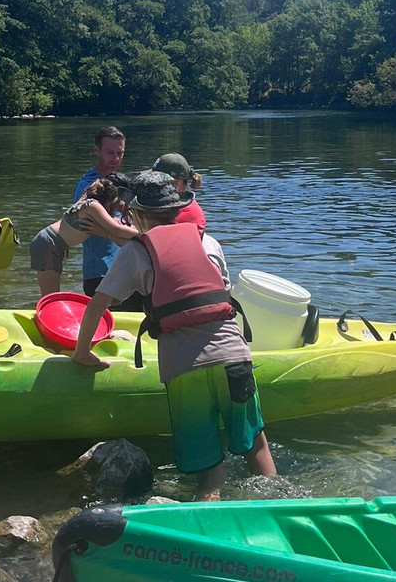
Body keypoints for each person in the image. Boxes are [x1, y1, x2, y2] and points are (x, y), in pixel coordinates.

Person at [71, 171, 277, 501]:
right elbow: (220, 297)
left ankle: (209, 513)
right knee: (256, 445)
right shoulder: (209, 243)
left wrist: (82, 352)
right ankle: (281, 505)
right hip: (233, 357)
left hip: (184, 368)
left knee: (209, 470)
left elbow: (97, 305)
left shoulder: (135, 252)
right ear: (178, 209)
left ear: (136, 214)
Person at [30, 175, 135, 296]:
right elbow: (116, 230)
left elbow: (121, 230)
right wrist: (146, 232)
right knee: (50, 296)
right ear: (113, 197)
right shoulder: (92, 206)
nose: (121, 205)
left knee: (52, 295)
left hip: (53, 245)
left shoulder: (96, 207)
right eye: (121, 201)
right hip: (47, 243)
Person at [73, 127, 129, 297]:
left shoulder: (118, 182)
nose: (115, 158)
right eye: (110, 153)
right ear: (97, 150)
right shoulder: (88, 187)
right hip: (100, 272)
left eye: (120, 153)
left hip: (124, 270)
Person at [151, 153, 207, 228]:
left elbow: (156, 232)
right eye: (156, 181)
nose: (160, 186)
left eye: (170, 182)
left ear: (184, 182)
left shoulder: (188, 212)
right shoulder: (160, 205)